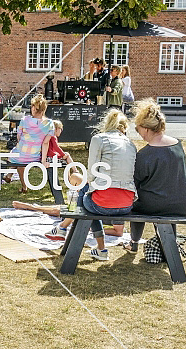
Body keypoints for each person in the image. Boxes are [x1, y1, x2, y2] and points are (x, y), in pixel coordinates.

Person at [48, 109, 137, 260]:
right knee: (89, 194)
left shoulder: (98, 139)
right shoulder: (131, 145)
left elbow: (91, 174)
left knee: (85, 194)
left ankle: (64, 228)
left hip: (102, 203)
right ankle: (66, 229)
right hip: (127, 204)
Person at [123, 99, 186, 253]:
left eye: (138, 130)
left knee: (135, 199)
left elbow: (134, 182)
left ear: (147, 129)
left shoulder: (145, 155)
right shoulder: (178, 145)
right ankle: (169, 244)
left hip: (157, 204)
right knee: (164, 198)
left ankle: (134, 242)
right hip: (185, 201)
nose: (139, 134)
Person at [3, 94, 54, 193]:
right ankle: (12, 178)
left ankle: (23, 185)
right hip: (35, 157)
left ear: (34, 108)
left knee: (18, 156)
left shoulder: (24, 120)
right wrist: (43, 161)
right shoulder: (49, 123)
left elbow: (18, 137)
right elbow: (45, 143)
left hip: (20, 155)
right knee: (20, 158)